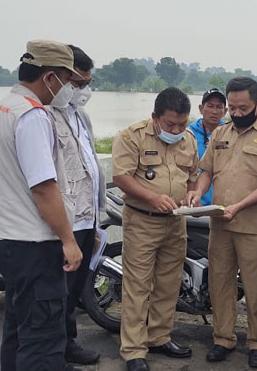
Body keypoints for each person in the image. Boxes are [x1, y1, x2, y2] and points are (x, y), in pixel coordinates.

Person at [0, 39, 84, 371]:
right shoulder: (33, 115)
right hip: (34, 245)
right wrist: (69, 240)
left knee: (17, 328)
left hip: (7, 240)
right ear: (49, 78)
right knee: (42, 340)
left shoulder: (2, 107)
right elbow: (43, 187)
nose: (69, 89)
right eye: (68, 81)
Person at [186, 77, 257, 369]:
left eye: (243, 107)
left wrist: (240, 206)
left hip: (253, 226)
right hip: (220, 224)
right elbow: (206, 170)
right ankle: (223, 338)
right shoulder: (220, 134)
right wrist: (196, 192)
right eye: (233, 107)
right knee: (220, 283)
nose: (237, 112)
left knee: (256, 287)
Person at [111, 87, 198, 371]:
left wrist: (190, 195)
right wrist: (151, 196)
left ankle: (159, 335)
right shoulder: (131, 136)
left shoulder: (188, 139)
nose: (177, 129)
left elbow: (192, 178)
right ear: (155, 117)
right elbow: (121, 177)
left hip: (176, 221)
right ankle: (134, 350)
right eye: (171, 123)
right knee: (137, 286)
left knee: (169, 283)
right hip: (142, 221)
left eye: (182, 124)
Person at [53, 44, 105, 365]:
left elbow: (89, 164)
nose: (82, 91)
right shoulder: (42, 115)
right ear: (58, 78)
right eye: (77, 83)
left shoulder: (80, 115)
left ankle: (67, 343)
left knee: (72, 293)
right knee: (54, 293)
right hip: (64, 221)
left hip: (88, 219)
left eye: (87, 84)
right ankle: (52, 350)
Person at [187, 88, 227, 206]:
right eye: (210, 106)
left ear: (225, 111)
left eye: (219, 107)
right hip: (195, 203)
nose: (214, 111)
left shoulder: (230, 133)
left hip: (223, 204)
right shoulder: (188, 133)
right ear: (201, 108)